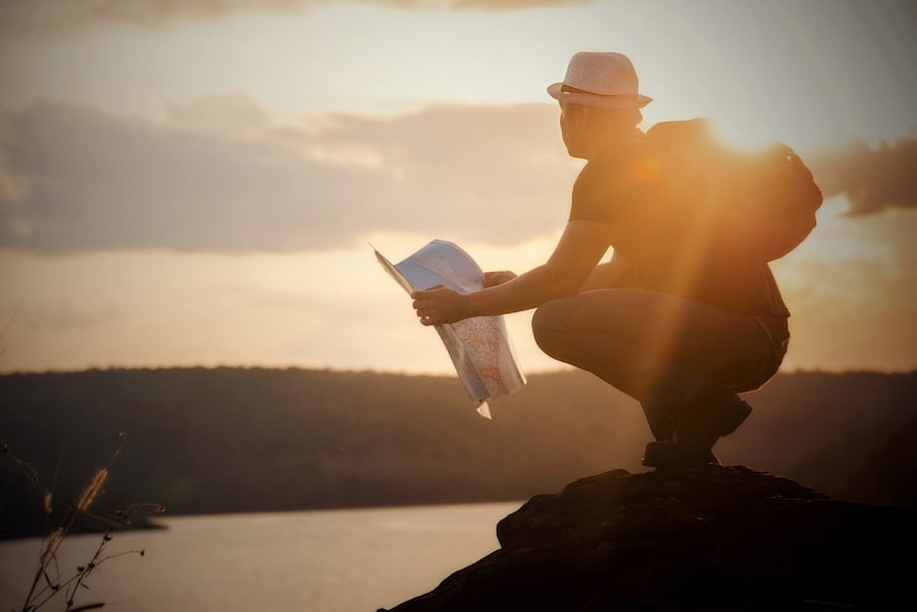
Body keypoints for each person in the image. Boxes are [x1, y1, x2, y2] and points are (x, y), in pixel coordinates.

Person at [411, 52, 790, 469]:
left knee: (554, 321)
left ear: (581, 112)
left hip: (740, 336)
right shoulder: (646, 159)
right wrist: (517, 284)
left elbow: (560, 282)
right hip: (754, 337)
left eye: (563, 110)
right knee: (606, 312)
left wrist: (464, 306)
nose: (562, 123)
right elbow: (614, 272)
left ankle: (703, 407)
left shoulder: (611, 170)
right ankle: (689, 444)